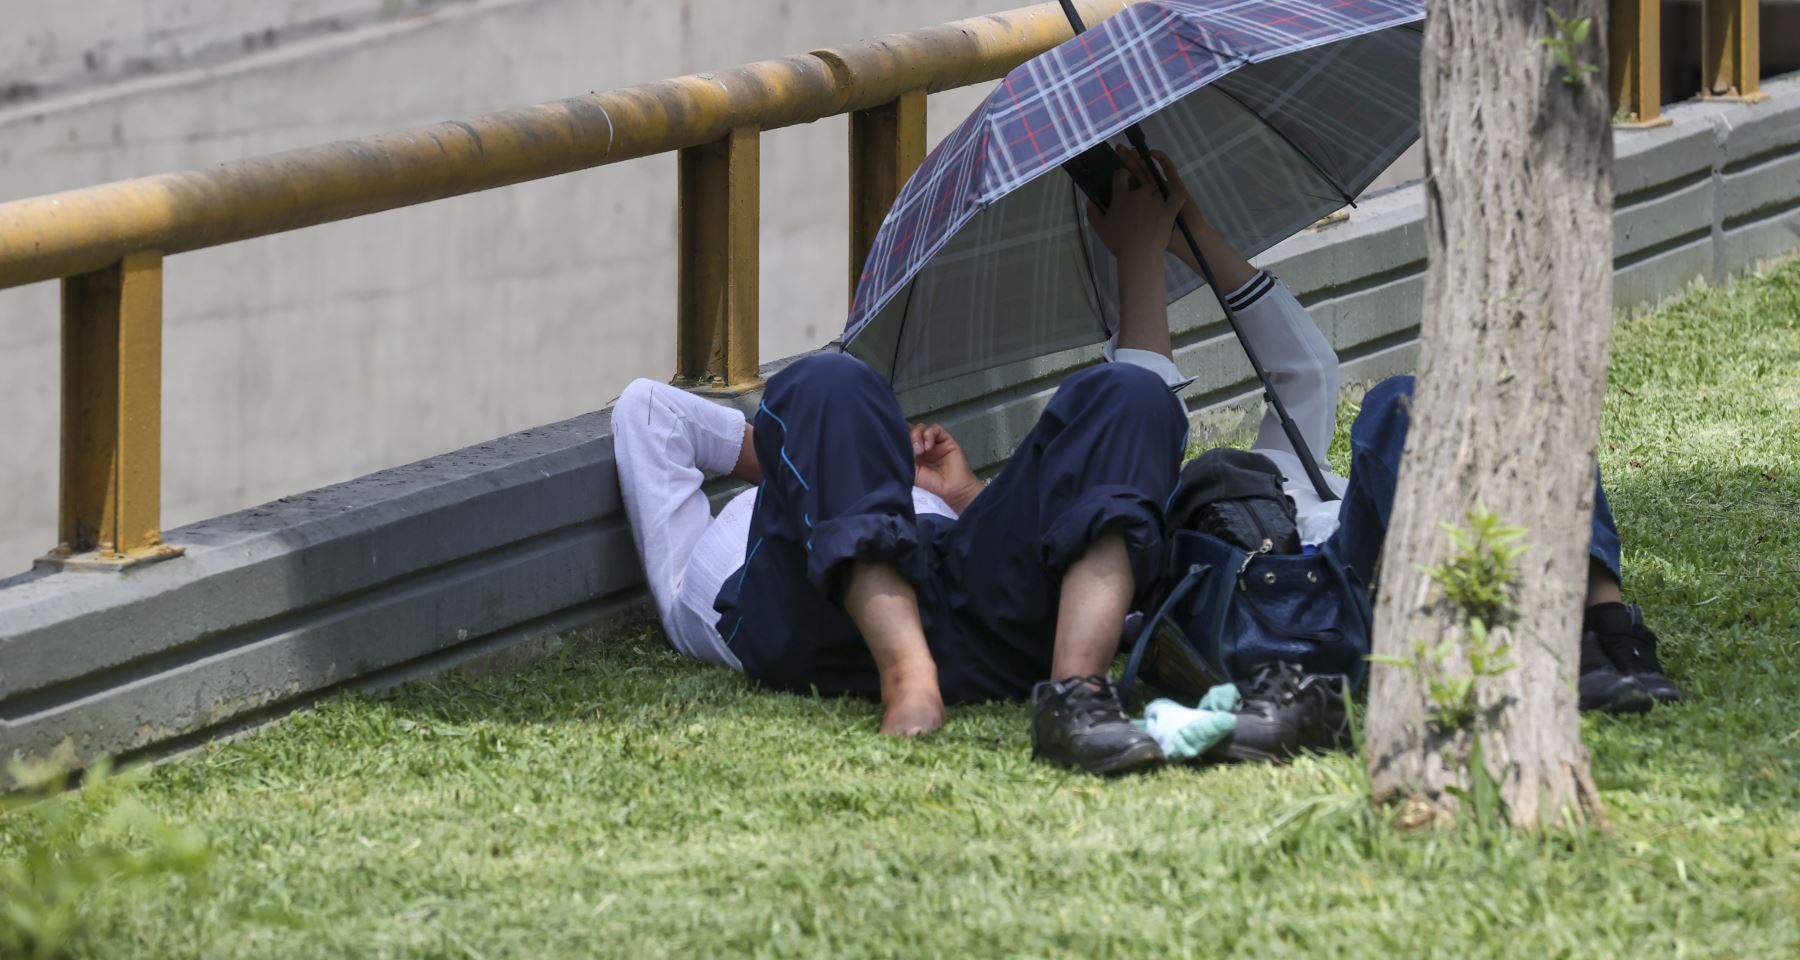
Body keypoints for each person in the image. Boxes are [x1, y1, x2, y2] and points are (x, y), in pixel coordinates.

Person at [614, 147, 1679, 773]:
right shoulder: (709, 567)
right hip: (821, 622)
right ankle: (908, 679)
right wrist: (798, 452)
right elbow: (648, 415)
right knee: (827, 381)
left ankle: (1074, 695)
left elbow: (1268, 393)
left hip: (991, 606)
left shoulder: (946, 507)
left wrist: (957, 493)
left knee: (1136, 395)